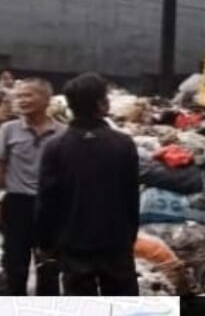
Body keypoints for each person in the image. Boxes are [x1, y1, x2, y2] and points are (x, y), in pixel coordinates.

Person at [36, 72, 140, 295]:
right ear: (101, 104)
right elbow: (132, 196)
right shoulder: (123, 144)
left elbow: (47, 199)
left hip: (73, 243)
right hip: (116, 242)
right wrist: (129, 236)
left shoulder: (55, 147)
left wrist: (46, 243)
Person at [0, 78, 65, 295]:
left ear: (46, 99)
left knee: (49, 265)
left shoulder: (62, 133)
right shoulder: (8, 130)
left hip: (51, 205)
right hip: (17, 203)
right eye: (19, 96)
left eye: (28, 95)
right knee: (14, 264)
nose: (22, 100)